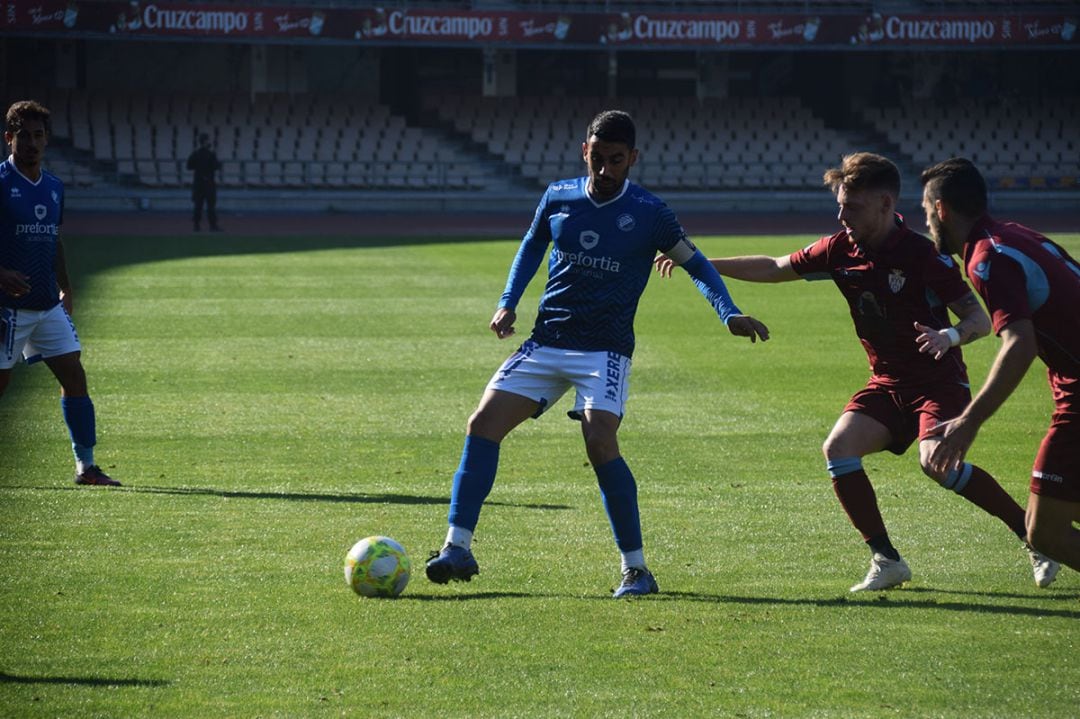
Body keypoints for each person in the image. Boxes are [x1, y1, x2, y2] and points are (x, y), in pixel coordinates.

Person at [656, 152, 1058, 591]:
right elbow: (774, 267)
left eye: (853, 207)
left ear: (886, 204)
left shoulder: (922, 256)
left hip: (936, 384)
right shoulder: (839, 249)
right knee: (839, 447)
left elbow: (977, 320)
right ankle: (887, 560)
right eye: (840, 205)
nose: (842, 215)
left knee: (936, 464)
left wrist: (950, 337)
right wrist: (700, 263)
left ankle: (1034, 538)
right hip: (886, 384)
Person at [424, 110, 770, 597]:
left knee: (600, 441)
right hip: (547, 341)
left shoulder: (651, 213)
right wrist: (507, 303)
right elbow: (531, 246)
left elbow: (697, 265)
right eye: (597, 159)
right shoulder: (559, 196)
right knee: (482, 424)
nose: (606, 171)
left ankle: (637, 570)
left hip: (604, 352)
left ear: (633, 158)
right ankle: (456, 547)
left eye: (616, 161)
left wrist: (727, 312)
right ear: (584, 151)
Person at [921, 157, 1080, 577]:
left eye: (925, 212)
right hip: (1071, 385)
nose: (926, 224)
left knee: (1044, 532)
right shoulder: (1015, 234)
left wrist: (968, 421)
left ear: (941, 210)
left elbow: (1019, 343)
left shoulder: (986, 258)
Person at [0, 100, 120, 486]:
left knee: (75, 376)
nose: (32, 143)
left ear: (47, 140)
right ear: (9, 138)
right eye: (24, 135)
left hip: (46, 306)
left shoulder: (53, 187)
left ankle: (86, 467)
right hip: (6, 309)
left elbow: (54, 239)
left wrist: (66, 285)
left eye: (38, 135)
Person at [186, 132, 221, 232]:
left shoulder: (195, 154)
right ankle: (212, 226)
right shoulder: (211, 154)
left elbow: (189, 166)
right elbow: (216, 166)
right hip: (209, 184)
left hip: (198, 183)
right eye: (208, 140)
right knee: (211, 206)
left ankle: (196, 226)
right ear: (205, 141)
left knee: (198, 206)